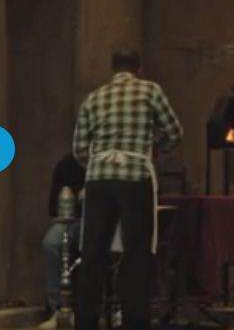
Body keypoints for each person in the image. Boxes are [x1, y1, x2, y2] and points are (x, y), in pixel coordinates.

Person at [71, 49, 183, 330]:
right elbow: (174, 133)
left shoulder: (93, 97)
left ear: (113, 68)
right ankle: (135, 321)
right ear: (139, 68)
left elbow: (79, 148)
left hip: (98, 180)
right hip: (134, 178)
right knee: (136, 253)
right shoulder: (150, 91)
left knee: (93, 253)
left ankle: (85, 321)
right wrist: (154, 151)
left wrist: (101, 161)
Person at [42, 153, 85, 317]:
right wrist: (77, 197)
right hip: (74, 221)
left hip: (105, 221)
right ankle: (56, 308)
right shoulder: (68, 164)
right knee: (51, 243)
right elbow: (53, 208)